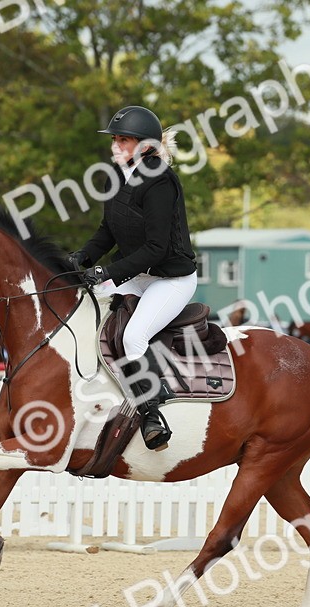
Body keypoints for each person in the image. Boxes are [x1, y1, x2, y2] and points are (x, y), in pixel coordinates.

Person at [70, 105, 198, 450]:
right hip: (138, 274)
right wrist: (81, 258)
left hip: (171, 279)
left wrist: (107, 272)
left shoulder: (160, 181)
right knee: (85, 311)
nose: (115, 145)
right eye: (115, 138)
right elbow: (106, 232)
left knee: (133, 336)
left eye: (123, 139)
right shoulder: (115, 175)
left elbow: (157, 249)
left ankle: (152, 413)